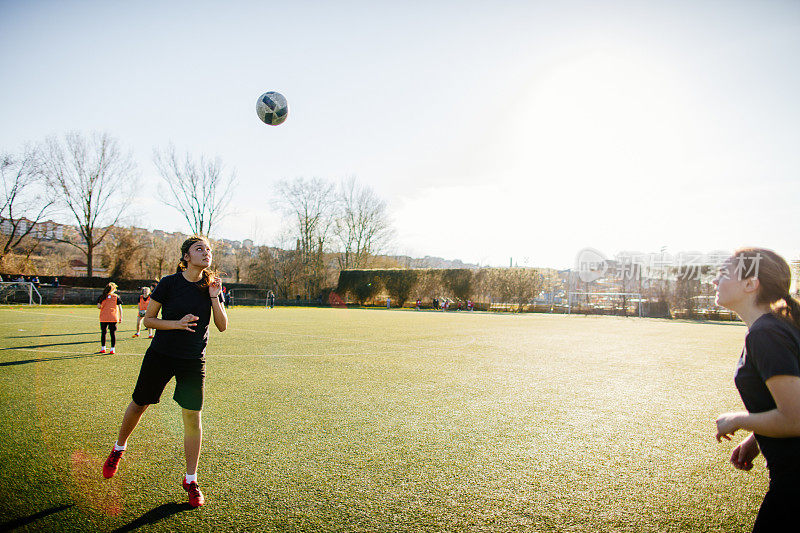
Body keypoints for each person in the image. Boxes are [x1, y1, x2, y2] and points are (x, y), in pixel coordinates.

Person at [102, 235, 228, 508]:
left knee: (192, 417)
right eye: (199, 249)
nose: (206, 253)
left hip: (193, 360)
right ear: (186, 257)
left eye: (208, 250)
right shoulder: (169, 283)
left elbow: (222, 325)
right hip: (161, 355)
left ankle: (191, 479)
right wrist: (177, 324)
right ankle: (118, 449)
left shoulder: (212, 286)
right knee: (139, 404)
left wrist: (215, 297)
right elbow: (149, 319)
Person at [713, 248, 800, 532]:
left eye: (724, 272)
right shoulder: (775, 328)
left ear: (751, 284)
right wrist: (756, 439)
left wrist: (738, 419)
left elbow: (795, 419)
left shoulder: (766, 334)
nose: (715, 280)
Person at [96, 282, 123, 354]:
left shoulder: (101, 297)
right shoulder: (116, 297)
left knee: (103, 333)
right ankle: (112, 349)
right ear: (113, 289)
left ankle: (103, 348)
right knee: (112, 333)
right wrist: (121, 317)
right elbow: (120, 308)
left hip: (103, 317)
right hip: (113, 317)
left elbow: (99, 306)